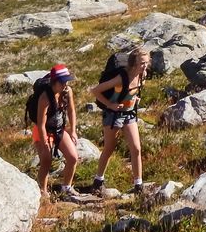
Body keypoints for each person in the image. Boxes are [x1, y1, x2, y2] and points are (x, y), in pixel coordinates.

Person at [90, 47, 149, 194]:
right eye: (142, 63)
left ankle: (138, 185)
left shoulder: (143, 75)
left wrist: (135, 99)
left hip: (129, 114)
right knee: (109, 148)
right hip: (113, 115)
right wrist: (110, 104)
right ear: (134, 63)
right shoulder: (121, 78)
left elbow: (135, 90)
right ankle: (98, 180)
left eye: (146, 62)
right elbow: (95, 91)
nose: (145, 66)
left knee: (136, 148)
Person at [31, 63, 79, 200]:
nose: (66, 84)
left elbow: (71, 111)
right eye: (63, 82)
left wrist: (73, 130)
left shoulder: (67, 91)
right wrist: (45, 141)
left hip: (59, 129)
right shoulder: (45, 98)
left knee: (73, 157)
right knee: (46, 159)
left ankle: (66, 188)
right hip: (43, 130)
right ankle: (43, 192)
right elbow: (41, 124)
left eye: (67, 81)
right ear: (55, 82)